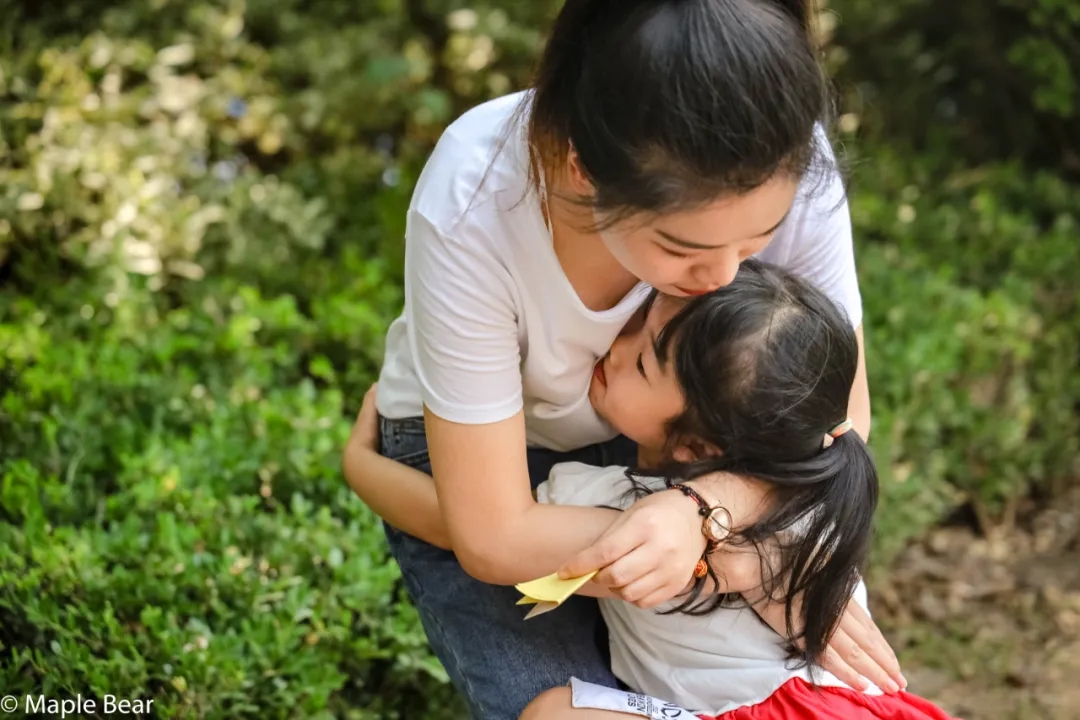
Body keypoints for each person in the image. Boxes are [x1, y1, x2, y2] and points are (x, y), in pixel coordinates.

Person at [346, 0, 898, 716]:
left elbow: (838, 419)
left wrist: (707, 513)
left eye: (757, 242)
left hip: (698, 435)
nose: (726, 280)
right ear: (583, 167)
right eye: (681, 248)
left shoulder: (779, 155)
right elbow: (494, 532)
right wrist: (734, 559)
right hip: (482, 465)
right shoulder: (473, 198)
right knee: (551, 705)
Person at [346, 262, 955, 719]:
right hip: (853, 706)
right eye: (637, 322)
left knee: (551, 712)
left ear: (696, 448)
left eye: (641, 362)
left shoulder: (618, 505)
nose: (616, 343)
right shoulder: (821, 489)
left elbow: (466, 525)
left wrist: (360, 468)